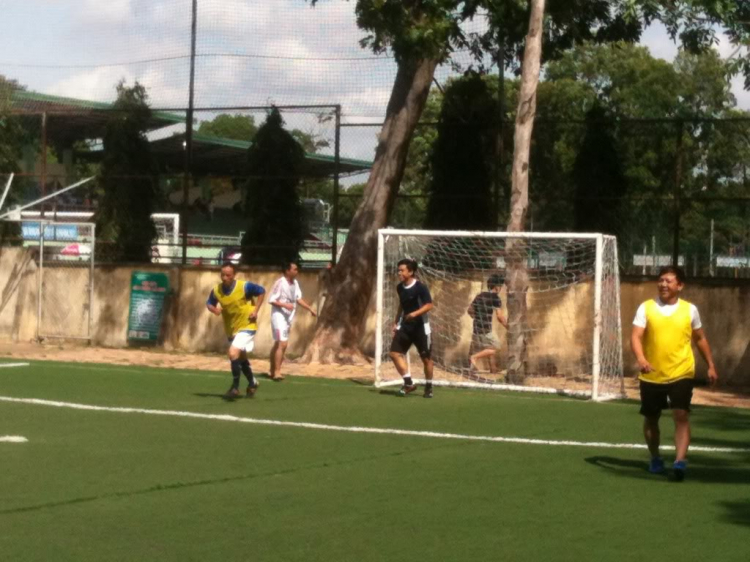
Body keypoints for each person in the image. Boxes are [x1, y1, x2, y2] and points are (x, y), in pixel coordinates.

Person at [630, 265, 718, 481]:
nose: (663, 284)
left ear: (680, 285)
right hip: (652, 374)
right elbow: (635, 337)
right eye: (661, 280)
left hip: (682, 371)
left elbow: (700, 338)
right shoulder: (646, 307)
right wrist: (641, 359)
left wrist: (711, 365)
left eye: (668, 281)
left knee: (681, 414)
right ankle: (656, 457)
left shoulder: (690, 310)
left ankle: (679, 462)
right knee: (652, 418)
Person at [206, 262, 266, 398]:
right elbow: (209, 303)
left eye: (228, 275)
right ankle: (252, 382)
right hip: (231, 328)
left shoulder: (244, 286)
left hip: (247, 325)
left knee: (233, 353)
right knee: (240, 357)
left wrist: (256, 310)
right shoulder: (217, 290)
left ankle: (235, 387)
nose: (225, 278)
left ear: (234, 275)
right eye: (222, 275)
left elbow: (261, 291)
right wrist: (214, 309)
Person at [389, 258, 435, 398]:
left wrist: (414, 314)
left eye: (402, 270)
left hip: (421, 328)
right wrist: (396, 322)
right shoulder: (399, 287)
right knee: (394, 353)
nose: (399, 273)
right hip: (405, 327)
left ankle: (428, 386)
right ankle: (408, 383)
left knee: (426, 359)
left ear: (411, 271)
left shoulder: (421, 287)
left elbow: (429, 305)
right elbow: (401, 305)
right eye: (398, 270)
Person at [268, 261, 317, 380]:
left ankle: (272, 369)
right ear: (287, 271)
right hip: (279, 316)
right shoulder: (280, 283)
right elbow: (271, 299)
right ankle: (277, 372)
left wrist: (309, 308)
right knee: (283, 343)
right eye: (294, 269)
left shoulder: (295, 283)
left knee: (278, 343)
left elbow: (298, 298)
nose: (296, 271)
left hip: (287, 318)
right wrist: (285, 305)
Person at [468, 273, 508, 375]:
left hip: (476, 328)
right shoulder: (495, 298)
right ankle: (474, 357)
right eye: (500, 286)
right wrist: (508, 326)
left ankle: (493, 369)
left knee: (489, 347)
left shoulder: (480, 295)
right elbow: (499, 317)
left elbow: (470, 310)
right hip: (485, 330)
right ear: (497, 287)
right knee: (496, 347)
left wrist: (477, 317)